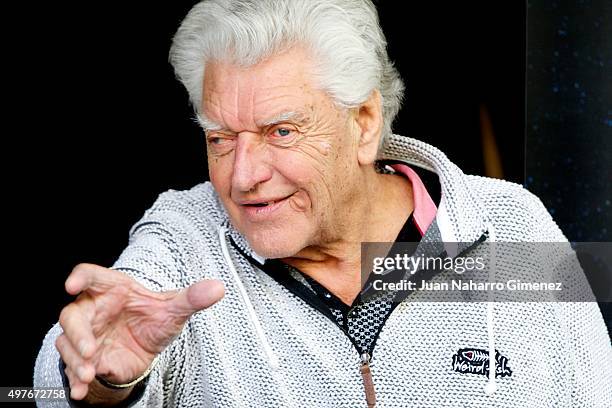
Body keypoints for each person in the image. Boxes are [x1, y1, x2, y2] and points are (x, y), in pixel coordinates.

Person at [34, 0, 611, 407]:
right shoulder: (186, 239)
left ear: (364, 123)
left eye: (281, 132)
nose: (243, 176)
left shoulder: (507, 225)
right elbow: (53, 383)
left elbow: (591, 392)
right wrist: (106, 383)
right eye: (219, 138)